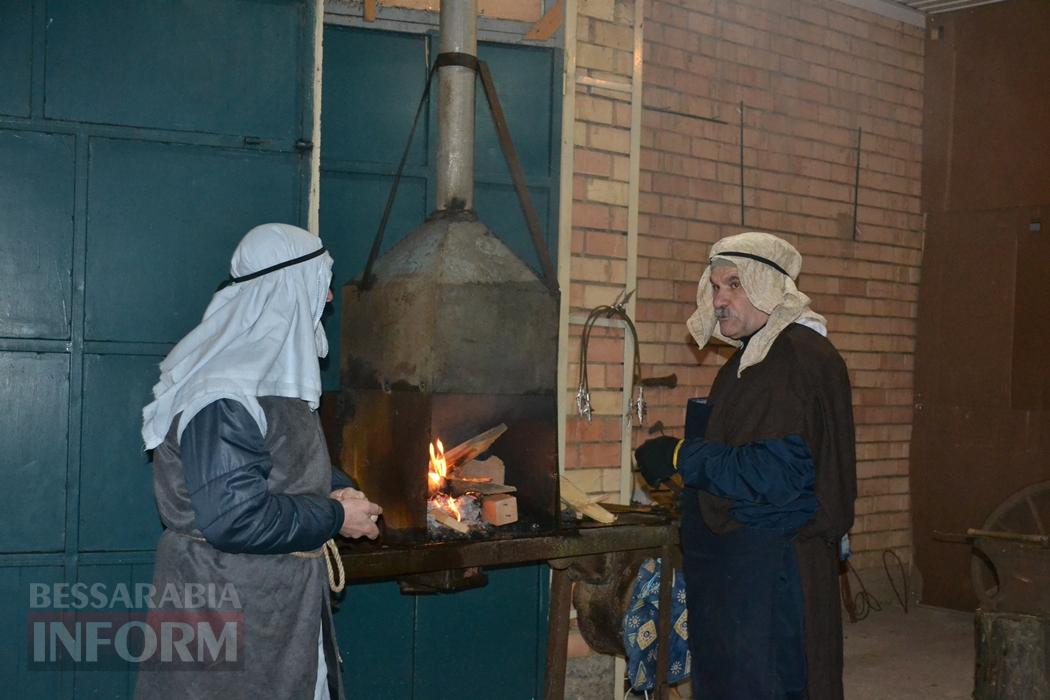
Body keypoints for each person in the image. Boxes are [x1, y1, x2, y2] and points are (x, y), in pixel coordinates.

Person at [137, 223, 382, 700]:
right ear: (290, 287)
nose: (329, 297)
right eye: (321, 282)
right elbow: (237, 518)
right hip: (225, 605)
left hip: (274, 603)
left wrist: (336, 487)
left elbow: (281, 460)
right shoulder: (221, 395)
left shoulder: (273, 386)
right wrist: (335, 516)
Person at [634, 231, 856, 700]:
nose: (719, 300)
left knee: (773, 685)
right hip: (743, 573)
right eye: (715, 287)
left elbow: (778, 473)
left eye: (734, 285)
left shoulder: (793, 359)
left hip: (774, 573)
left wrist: (680, 456)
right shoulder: (755, 357)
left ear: (768, 286)